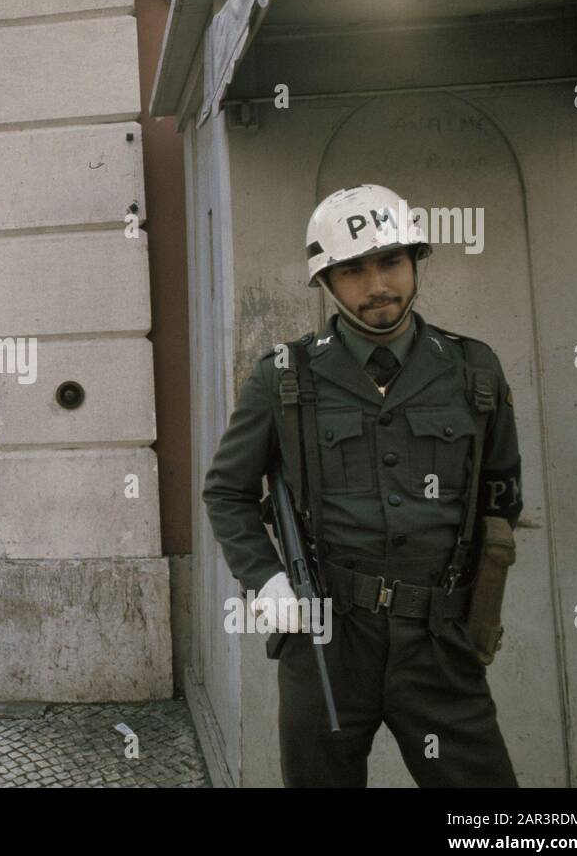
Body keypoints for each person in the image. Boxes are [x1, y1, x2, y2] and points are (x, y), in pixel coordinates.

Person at [202, 184, 522, 787]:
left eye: (390, 262)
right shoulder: (283, 378)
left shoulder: (474, 370)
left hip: (437, 641)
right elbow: (227, 492)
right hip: (326, 637)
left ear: (415, 263)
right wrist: (267, 580)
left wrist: (469, 606)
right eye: (353, 270)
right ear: (325, 281)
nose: (377, 285)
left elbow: (501, 497)